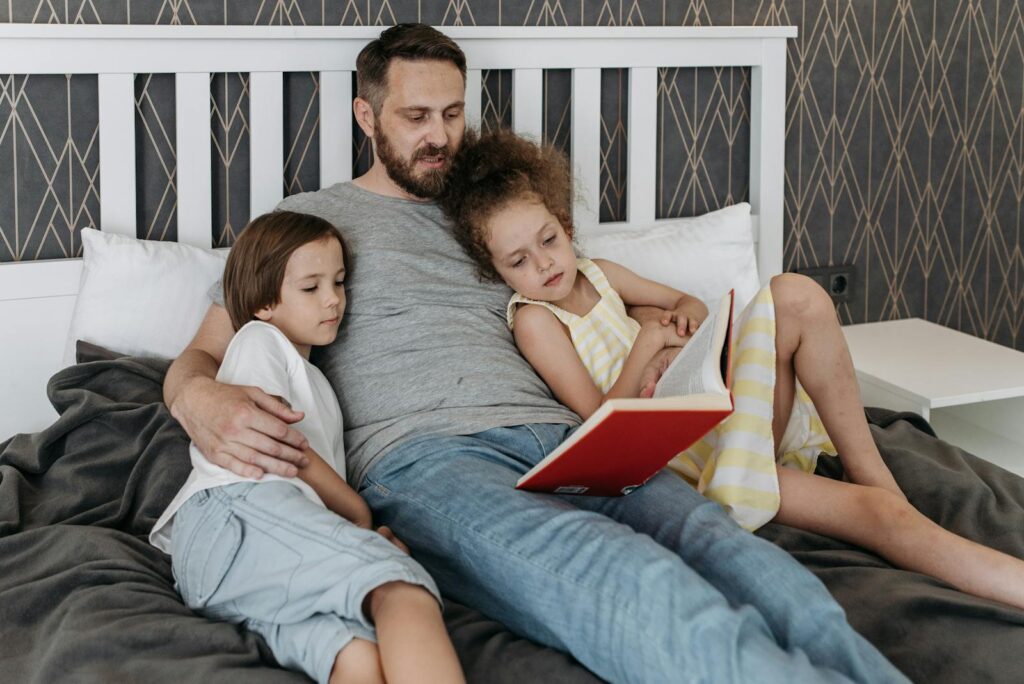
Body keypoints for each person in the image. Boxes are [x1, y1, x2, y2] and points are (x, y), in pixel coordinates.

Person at [163, 23, 909, 683]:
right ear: (366, 116)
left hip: (572, 440)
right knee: (633, 582)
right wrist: (199, 398)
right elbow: (204, 354)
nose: (439, 136)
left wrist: (670, 331)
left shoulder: (494, 213)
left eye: (452, 113)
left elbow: (599, 290)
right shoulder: (308, 226)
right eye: (416, 117)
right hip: (429, 459)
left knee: (746, 561)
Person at [441, 127, 1024, 612]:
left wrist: (677, 332)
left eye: (549, 240)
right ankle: (912, 521)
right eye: (519, 260)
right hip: (693, 466)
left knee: (795, 294)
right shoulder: (536, 321)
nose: (544, 264)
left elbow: (689, 304)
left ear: (566, 227)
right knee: (879, 516)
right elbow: (599, 424)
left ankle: (869, 470)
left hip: (723, 419)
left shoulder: (601, 274)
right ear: (496, 272)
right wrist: (647, 346)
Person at [151, 211, 464, 684]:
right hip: (238, 511)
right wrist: (359, 518)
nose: (333, 299)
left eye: (338, 282)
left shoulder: (316, 380)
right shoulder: (260, 341)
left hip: (225, 562)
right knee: (402, 588)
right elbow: (282, 446)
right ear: (263, 303)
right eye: (311, 287)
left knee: (356, 653)